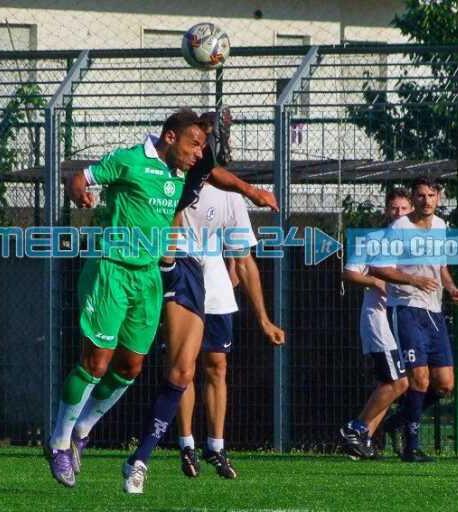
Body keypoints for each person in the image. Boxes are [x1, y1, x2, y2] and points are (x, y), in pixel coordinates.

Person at [45, 108, 277, 488]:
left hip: (148, 277)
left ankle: (81, 432)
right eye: (194, 144)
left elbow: (212, 171)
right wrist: (79, 193)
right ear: (170, 137)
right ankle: (57, 443)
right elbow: (79, 179)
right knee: (97, 362)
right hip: (111, 268)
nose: (199, 153)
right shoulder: (129, 160)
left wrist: (252, 191)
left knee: (130, 368)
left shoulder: (182, 172)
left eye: (203, 146)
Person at [121, 108, 280, 493]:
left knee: (187, 370)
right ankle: (177, 441)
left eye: (208, 140)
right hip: (154, 264)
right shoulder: (161, 165)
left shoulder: (203, 169)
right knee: (129, 365)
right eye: (200, 138)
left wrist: (252, 191)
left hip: (187, 269)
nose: (201, 148)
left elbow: (243, 257)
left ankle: (143, 458)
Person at [175, 180, 285, 480]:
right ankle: (186, 444)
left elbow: (244, 259)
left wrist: (264, 319)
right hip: (179, 282)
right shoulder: (173, 180)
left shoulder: (232, 195)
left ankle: (216, 446)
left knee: (218, 366)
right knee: (183, 368)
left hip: (215, 287)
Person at [339, 188, 439, 460]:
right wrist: (375, 281)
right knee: (397, 382)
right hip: (380, 320)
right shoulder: (373, 240)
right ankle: (356, 429)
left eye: (403, 209)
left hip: (407, 320)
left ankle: (364, 439)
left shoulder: (417, 240)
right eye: (394, 208)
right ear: (386, 211)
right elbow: (349, 273)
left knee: (402, 382)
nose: (399, 213)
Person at [369, 177, 458, 463]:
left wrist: (451, 288)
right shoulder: (400, 228)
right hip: (407, 308)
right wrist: (412, 279)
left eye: (431, 195)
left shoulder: (440, 226)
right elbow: (378, 268)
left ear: (438, 198)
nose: (426, 200)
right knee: (419, 378)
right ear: (414, 198)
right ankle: (412, 446)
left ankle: (398, 421)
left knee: (445, 384)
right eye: (420, 195)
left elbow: (442, 267)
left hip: (433, 312)